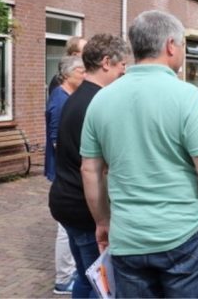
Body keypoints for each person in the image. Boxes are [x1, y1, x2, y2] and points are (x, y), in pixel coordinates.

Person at [80, 10, 198, 298]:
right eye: (184, 45)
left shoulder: (101, 99)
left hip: (127, 239)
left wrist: (102, 221)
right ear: (171, 45)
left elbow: (89, 171)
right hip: (183, 236)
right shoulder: (186, 96)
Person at [49, 34, 129, 298]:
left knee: (86, 275)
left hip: (65, 201)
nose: (124, 71)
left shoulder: (74, 96)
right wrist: (102, 218)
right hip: (84, 209)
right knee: (103, 282)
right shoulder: (99, 103)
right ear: (107, 62)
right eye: (121, 65)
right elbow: (98, 167)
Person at [45, 55, 86, 295]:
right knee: (64, 227)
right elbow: (57, 139)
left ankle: (69, 273)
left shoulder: (68, 97)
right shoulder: (60, 100)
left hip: (65, 171)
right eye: (81, 71)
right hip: (65, 172)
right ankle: (64, 278)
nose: (84, 74)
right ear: (68, 74)